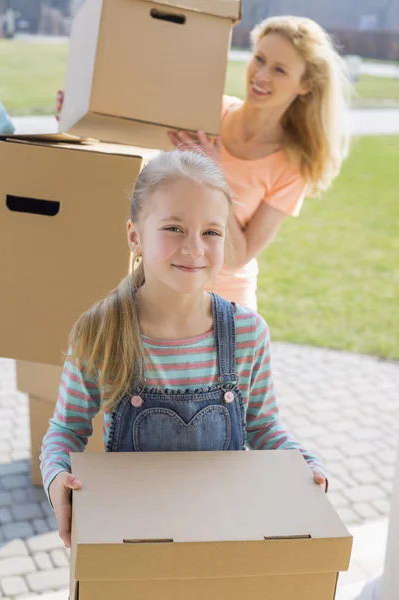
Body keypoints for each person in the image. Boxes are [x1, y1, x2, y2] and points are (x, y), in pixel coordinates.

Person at [40, 150, 327, 548]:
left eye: (212, 232)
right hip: (134, 540)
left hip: (222, 537)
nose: (195, 247)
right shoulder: (99, 332)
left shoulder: (248, 333)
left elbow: (262, 427)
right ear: (134, 236)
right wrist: (57, 478)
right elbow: (65, 430)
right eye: (174, 228)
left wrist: (303, 463)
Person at [168, 16, 352, 310]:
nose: (261, 75)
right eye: (260, 59)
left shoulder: (292, 166)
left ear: (305, 85)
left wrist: (213, 176)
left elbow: (238, 256)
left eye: (279, 70)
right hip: (162, 287)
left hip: (223, 304)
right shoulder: (207, 113)